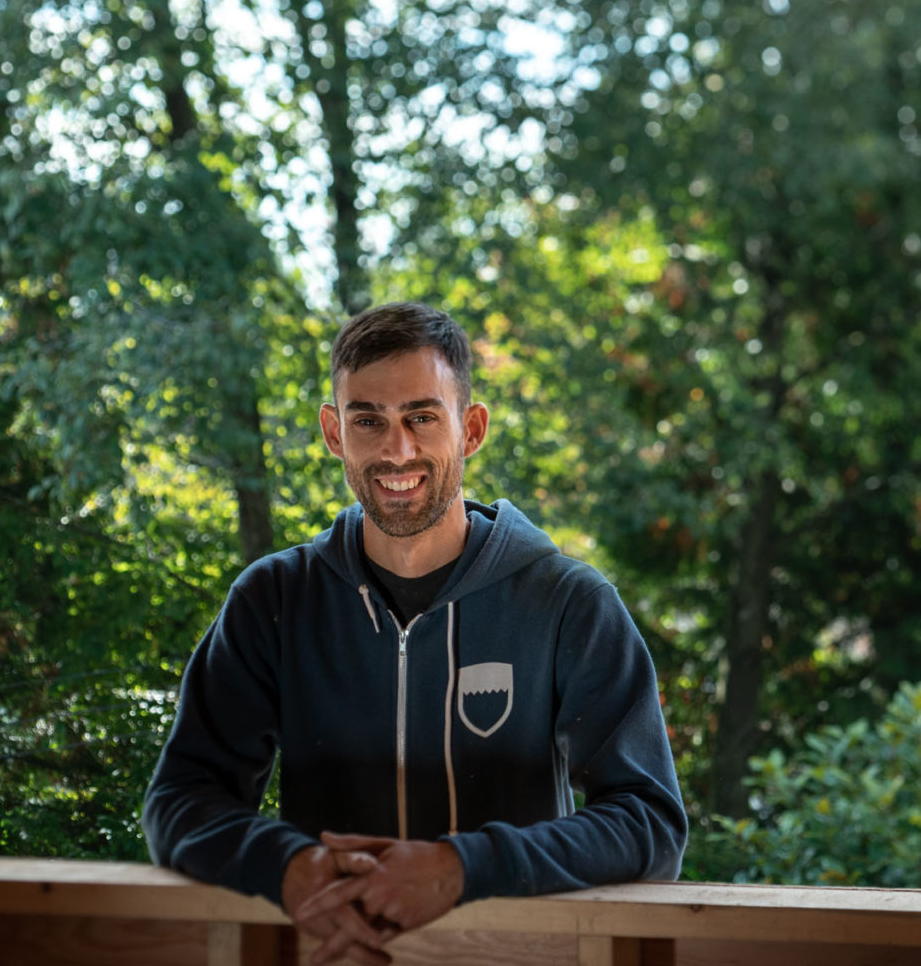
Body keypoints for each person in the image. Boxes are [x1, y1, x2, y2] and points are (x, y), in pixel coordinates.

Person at [142, 301, 687, 963]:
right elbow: (181, 799)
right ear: (334, 432)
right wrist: (289, 867)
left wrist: (462, 867)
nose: (396, 450)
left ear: (471, 429)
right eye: (368, 420)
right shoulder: (274, 600)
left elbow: (649, 821)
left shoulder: (568, 602)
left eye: (422, 418)